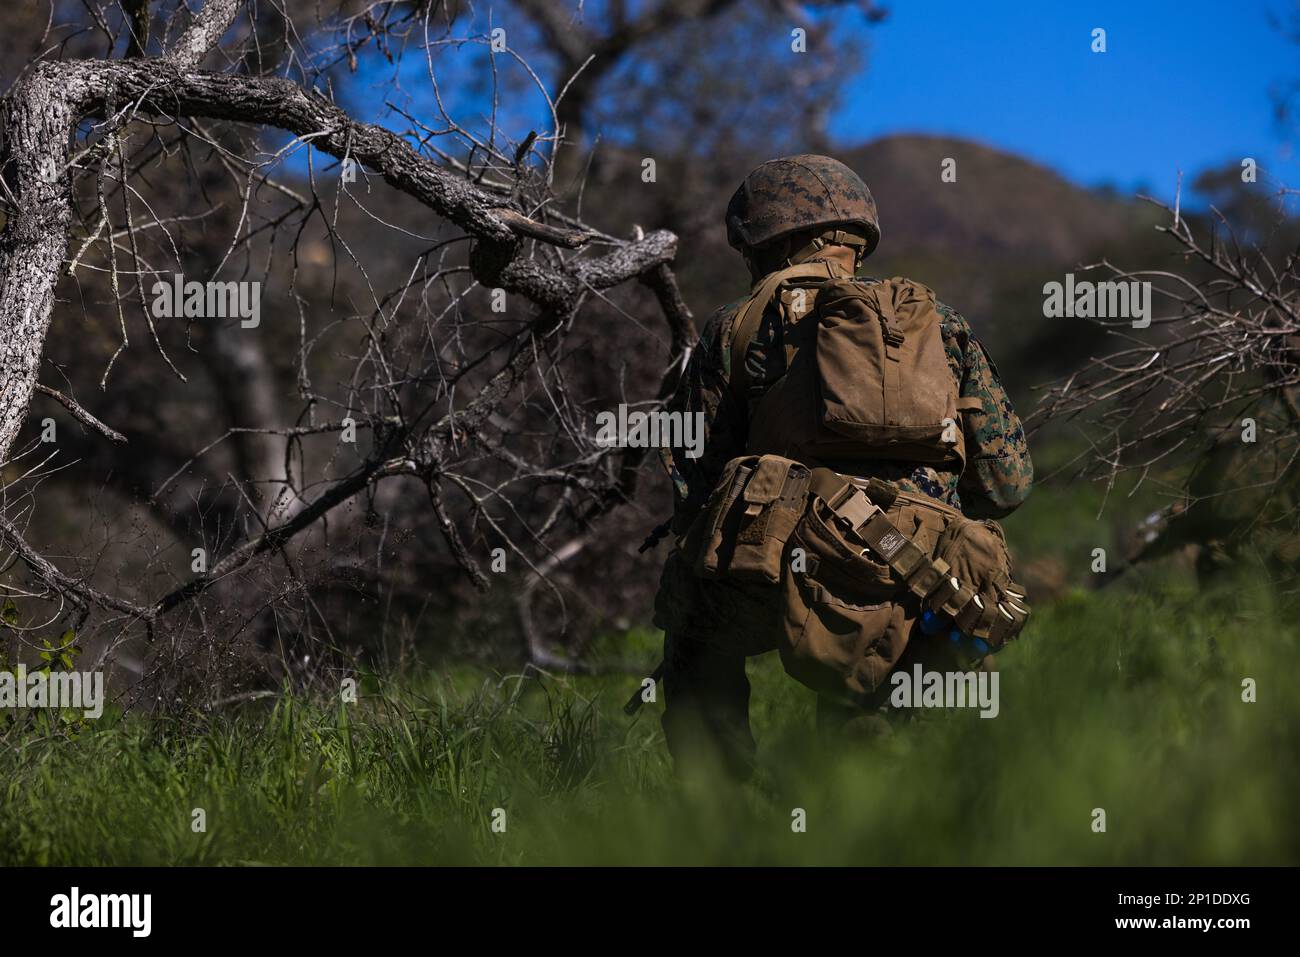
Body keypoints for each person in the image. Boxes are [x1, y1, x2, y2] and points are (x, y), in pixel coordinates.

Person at [652, 154, 1033, 780]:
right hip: (924, 571)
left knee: (693, 640)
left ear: (760, 238)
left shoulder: (736, 325)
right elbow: (1006, 485)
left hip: (776, 561)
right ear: (860, 236)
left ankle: (725, 816)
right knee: (894, 707)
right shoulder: (942, 326)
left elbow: (696, 483)